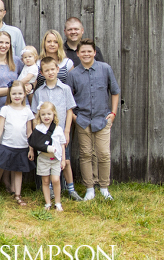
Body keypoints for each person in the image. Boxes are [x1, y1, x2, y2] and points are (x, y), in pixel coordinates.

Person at [66, 39, 121, 201]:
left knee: (103, 154)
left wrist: (113, 113)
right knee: (85, 155)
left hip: (102, 120)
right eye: (82, 52)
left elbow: (115, 91)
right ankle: (89, 188)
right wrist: (75, 117)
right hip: (82, 121)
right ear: (78, 54)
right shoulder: (73, 74)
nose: (86, 54)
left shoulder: (105, 69)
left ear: (95, 52)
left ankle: (104, 187)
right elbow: (69, 98)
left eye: (89, 51)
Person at [31, 56, 82, 201]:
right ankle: (51, 190)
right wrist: (38, 133)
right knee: (47, 159)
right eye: (46, 70)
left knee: (65, 161)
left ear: (58, 69)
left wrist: (66, 131)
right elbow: (36, 114)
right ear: (41, 73)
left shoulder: (65, 89)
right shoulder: (39, 92)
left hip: (60, 133)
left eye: (53, 69)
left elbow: (69, 110)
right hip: (45, 135)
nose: (50, 72)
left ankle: (71, 189)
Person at [0, 81, 34, 205]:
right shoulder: (5, 109)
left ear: (24, 94)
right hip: (6, 145)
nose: (17, 96)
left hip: (22, 146)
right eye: (14, 93)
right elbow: (0, 129)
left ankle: (17, 195)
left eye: (20, 93)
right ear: (9, 95)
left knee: (18, 171)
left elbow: (29, 132)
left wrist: (31, 149)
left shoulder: (27, 111)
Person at [28, 102, 66, 212]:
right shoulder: (38, 129)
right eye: (43, 114)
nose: (46, 117)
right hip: (43, 159)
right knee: (45, 181)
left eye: (49, 114)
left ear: (54, 114)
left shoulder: (58, 129)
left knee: (56, 180)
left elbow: (62, 145)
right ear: (40, 115)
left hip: (55, 159)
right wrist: (31, 151)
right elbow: (33, 142)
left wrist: (63, 159)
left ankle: (58, 203)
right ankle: (48, 203)